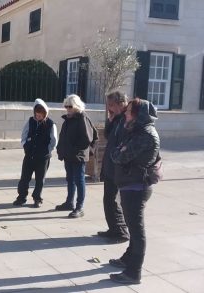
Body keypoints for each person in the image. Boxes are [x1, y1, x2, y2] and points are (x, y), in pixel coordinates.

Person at [108, 98, 160, 285]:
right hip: (130, 184)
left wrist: (119, 151)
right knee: (133, 227)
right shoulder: (136, 130)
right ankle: (128, 259)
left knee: (137, 231)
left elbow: (120, 156)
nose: (126, 113)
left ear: (138, 114)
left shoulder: (145, 134)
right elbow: (118, 150)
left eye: (129, 111)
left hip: (136, 187)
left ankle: (133, 272)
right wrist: (119, 150)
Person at [55, 94, 97, 218]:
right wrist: (61, 149)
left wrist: (74, 149)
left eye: (70, 106)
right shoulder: (69, 119)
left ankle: (79, 207)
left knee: (79, 180)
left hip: (77, 156)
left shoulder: (82, 118)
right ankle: (69, 202)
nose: (67, 109)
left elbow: (87, 138)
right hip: (68, 155)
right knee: (70, 179)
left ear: (76, 106)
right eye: (66, 106)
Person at [98, 91, 130, 243]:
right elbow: (107, 135)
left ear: (121, 103)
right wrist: (109, 120)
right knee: (107, 199)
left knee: (113, 200)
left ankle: (121, 232)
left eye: (111, 105)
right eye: (108, 105)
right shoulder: (117, 119)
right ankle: (113, 228)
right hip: (110, 165)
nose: (109, 108)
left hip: (117, 167)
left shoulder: (126, 120)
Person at [13, 99, 57, 208]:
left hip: (43, 158)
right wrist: (25, 145)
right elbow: (24, 134)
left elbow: (54, 140)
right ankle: (21, 197)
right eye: (36, 115)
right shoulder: (30, 121)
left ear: (45, 114)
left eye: (40, 115)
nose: (38, 117)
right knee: (24, 178)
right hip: (29, 155)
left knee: (40, 180)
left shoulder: (51, 124)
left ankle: (37, 199)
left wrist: (47, 150)